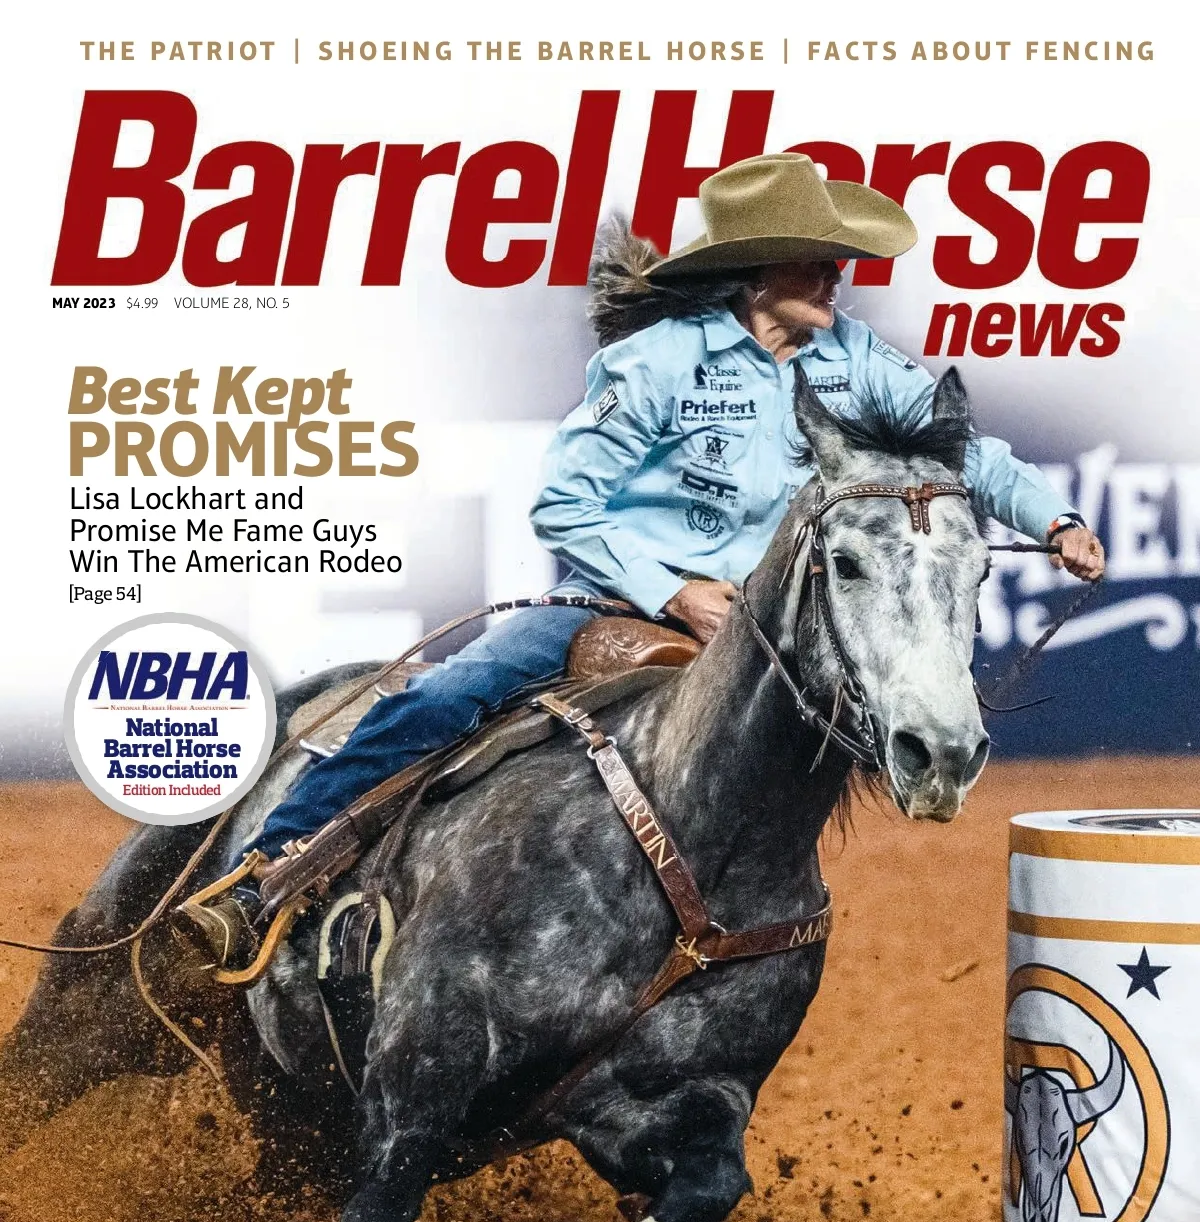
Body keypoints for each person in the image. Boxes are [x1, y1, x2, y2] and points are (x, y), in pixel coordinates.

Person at [180, 153, 1104, 969]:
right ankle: (265, 874)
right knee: (450, 696)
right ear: (755, 271)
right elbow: (564, 504)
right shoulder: (660, 361)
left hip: (766, 626)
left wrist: (1055, 520)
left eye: (838, 257)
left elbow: (966, 455)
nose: (838, 273)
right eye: (814, 256)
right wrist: (675, 591)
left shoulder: (855, 359)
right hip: (612, 605)